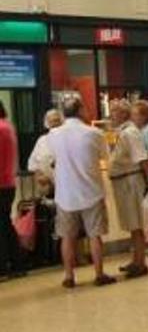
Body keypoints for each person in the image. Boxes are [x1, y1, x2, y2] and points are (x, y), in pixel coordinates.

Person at [47, 97, 116, 288]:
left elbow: (49, 159)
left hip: (65, 194)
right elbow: (105, 157)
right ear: (80, 110)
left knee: (67, 237)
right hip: (91, 191)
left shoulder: (53, 135)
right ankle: (99, 274)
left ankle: (69, 276)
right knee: (95, 235)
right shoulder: (94, 133)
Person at [107, 99, 148, 279]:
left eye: (114, 111)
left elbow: (143, 160)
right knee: (132, 224)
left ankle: (140, 263)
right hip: (123, 181)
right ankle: (135, 260)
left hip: (131, 182)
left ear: (123, 114)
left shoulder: (130, 133)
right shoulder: (122, 132)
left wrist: (147, 184)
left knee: (136, 224)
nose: (111, 115)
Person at [0, 99, 25, 280]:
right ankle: (16, 264)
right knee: (5, 225)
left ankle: (6, 266)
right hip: (8, 183)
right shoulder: (8, 127)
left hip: (1, 184)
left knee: (3, 227)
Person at [27, 109, 64, 195]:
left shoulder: (68, 139)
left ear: (62, 122)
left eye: (57, 120)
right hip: (46, 188)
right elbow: (32, 163)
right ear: (47, 124)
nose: (55, 124)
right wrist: (40, 176)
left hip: (65, 187)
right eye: (52, 121)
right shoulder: (41, 140)